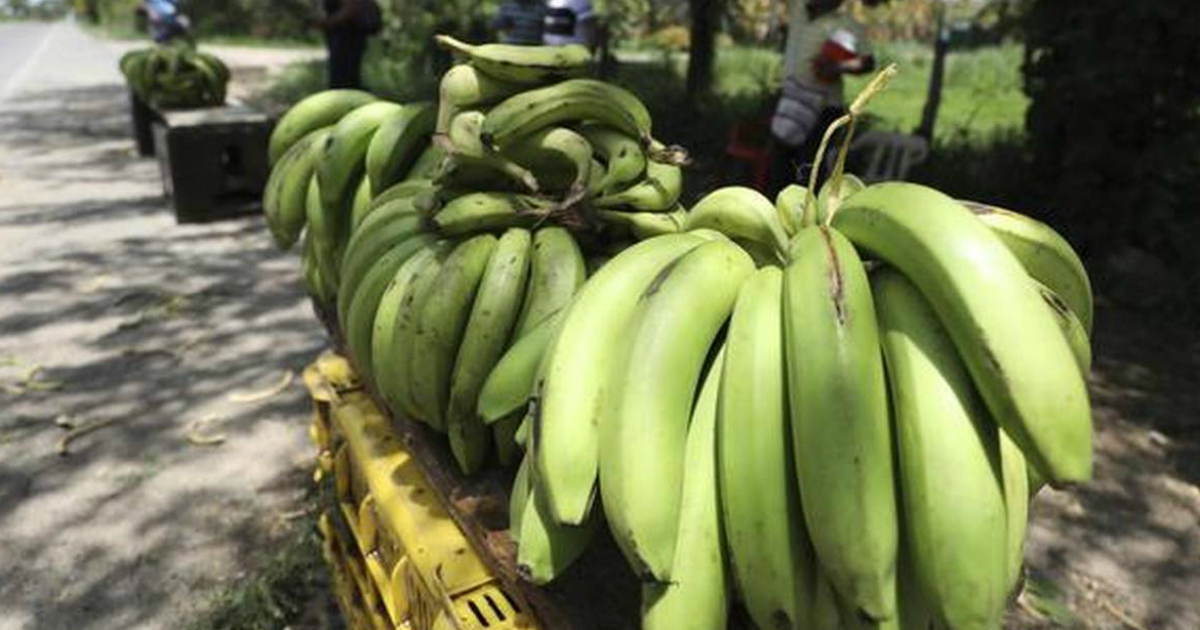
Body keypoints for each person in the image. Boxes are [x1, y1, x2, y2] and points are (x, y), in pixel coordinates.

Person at [769, 0, 886, 192]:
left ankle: (806, 216)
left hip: (824, 107)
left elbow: (868, 62)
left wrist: (839, 67)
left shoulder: (848, 24)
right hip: (791, 98)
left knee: (810, 168)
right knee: (781, 162)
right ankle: (777, 211)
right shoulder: (799, 8)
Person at [316, 0, 382, 89]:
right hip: (342, 34)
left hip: (348, 35)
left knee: (343, 78)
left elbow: (352, 7)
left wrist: (329, 22)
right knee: (346, 76)